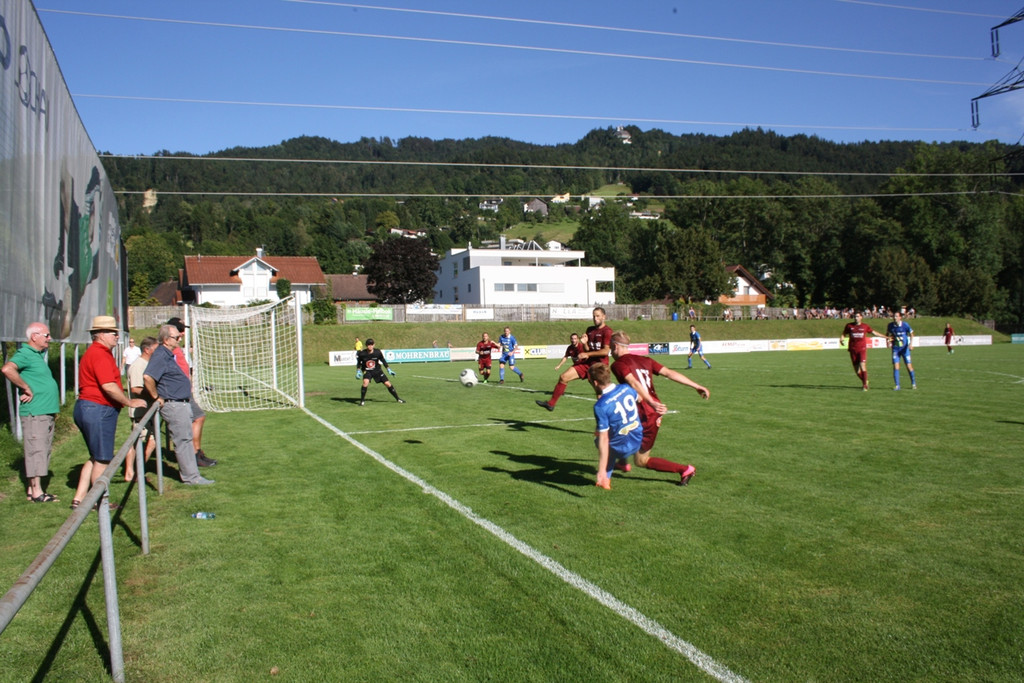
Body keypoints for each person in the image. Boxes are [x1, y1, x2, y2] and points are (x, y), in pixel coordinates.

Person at [70, 316, 148, 509]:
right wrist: (129, 401)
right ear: (100, 335)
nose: (116, 336)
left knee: (96, 456)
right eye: (113, 332)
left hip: (87, 407)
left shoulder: (95, 353)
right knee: (103, 458)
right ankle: (100, 502)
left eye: (116, 332)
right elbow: (109, 386)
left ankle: (79, 498)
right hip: (98, 409)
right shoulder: (100, 354)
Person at [610, 331, 705, 486]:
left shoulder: (618, 365)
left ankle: (685, 469)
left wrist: (650, 402)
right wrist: (696, 386)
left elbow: (634, 383)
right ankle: (621, 460)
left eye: (609, 347)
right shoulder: (645, 360)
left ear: (615, 346)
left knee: (641, 460)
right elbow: (668, 373)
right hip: (646, 412)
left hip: (646, 414)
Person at [143, 325, 215, 485]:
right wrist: (156, 397)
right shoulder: (161, 355)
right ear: (166, 340)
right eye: (177, 337)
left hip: (180, 403)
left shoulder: (167, 354)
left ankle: (193, 475)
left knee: (186, 439)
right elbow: (148, 377)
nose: (180, 339)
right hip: (173, 405)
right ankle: (191, 478)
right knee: (183, 441)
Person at [2, 322, 61, 503]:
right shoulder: (25, 353)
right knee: (36, 450)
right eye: (46, 335)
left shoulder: (36, 354)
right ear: (34, 336)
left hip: (44, 411)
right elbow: (7, 369)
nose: (49, 338)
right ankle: (37, 493)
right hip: (35, 412)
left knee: (42, 449)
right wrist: (25, 387)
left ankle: (32, 489)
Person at [536, 307, 612, 411]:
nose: (595, 318)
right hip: (587, 364)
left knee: (600, 394)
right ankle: (551, 404)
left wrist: (587, 354)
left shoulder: (607, 331)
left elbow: (605, 351)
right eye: (594, 316)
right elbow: (588, 349)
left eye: (598, 316)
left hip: (600, 366)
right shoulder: (590, 330)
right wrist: (585, 344)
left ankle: (610, 417)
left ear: (604, 317)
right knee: (563, 377)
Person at [166, 317, 216, 467]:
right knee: (198, 417)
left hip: (184, 389)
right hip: (178, 392)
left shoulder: (176, 349)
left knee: (198, 418)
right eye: (180, 331)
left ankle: (197, 452)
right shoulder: (168, 350)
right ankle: (194, 454)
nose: (182, 334)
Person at [587, 363, 642, 490]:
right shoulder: (626, 388)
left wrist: (600, 470)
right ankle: (622, 463)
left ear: (595, 383)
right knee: (610, 435)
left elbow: (604, 439)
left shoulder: (600, 406)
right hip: (637, 439)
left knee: (600, 440)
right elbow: (639, 399)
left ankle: (605, 478)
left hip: (622, 447)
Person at [125, 336, 158, 482]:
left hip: (146, 410)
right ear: (147, 349)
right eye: (155, 350)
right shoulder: (139, 365)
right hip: (140, 411)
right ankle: (132, 472)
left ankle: (134, 472)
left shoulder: (146, 364)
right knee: (140, 441)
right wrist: (155, 395)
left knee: (145, 441)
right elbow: (136, 388)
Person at [840, 312, 886, 391]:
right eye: (855, 316)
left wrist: (886, 337)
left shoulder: (865, 326)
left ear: (861, 317)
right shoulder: (849, 326)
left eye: (857, 316)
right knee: (857, 371)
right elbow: (844, 333)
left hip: (862, 349)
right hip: (853, 349)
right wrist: (841, 338)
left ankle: (864, 386)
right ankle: (865, 381)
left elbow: (874, 333)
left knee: (863, 366)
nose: (856, 318)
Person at [356, 338, 405, 405]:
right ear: (366, 345)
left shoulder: (377, 352)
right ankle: (362, 401)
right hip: (367, 371)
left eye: (371, 344)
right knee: (365, 382)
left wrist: (388, 369)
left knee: (388, 384)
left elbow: (383, 360)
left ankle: (398, 399)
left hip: (377, 370)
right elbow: (359, 363)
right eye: (368, 345)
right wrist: (358, 371)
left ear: (374, 345)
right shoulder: (362, 354)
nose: (370, 346)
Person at [886, 311, 917, 390]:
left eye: (896, 316)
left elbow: (912, 333)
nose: (895, 318)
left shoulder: (905, 325)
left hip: (905, 349)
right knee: (896, 366)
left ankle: (913, 383)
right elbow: (888, 334)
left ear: (900, 317)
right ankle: (897, 385)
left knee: (909, 366)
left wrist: (911, 344)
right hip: (895, 349)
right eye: (894, 316)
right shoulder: (890, 325)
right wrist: (888, 341)